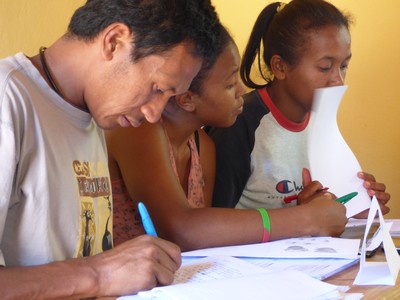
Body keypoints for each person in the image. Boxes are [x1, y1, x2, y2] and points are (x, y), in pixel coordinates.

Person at [0, 0, 222, 298]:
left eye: (169, 96)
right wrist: (99, 274)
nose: (154, 114)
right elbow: (95, 272)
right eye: (158, 88)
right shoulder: (8, 102)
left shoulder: (93, 117)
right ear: (114, 41)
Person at [106, 23, 347, 252]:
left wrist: (305, 212)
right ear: (187, 98)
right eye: (230, 83)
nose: (242, 90)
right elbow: (181, 230)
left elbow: (209, 235)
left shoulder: (203, 146)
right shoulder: (139, 130)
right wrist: (305, 219)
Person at [206, 0, 390, 218]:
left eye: (343, 66)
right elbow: (213, 223)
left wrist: (356, 205)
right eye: (324, 67)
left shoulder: (320, 120)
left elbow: (324, 204)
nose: (338, 81)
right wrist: (301, 216)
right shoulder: (238, 123)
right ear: (280, 67)